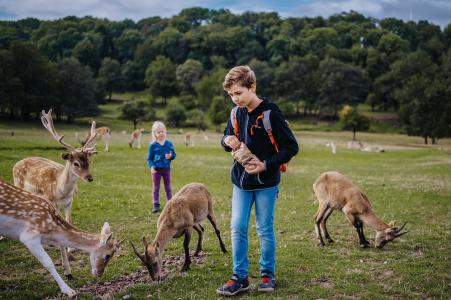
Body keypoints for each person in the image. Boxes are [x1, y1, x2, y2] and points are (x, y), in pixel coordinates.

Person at [216, 65, 299, 296]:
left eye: (239, 93)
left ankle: (266, 274)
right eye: (231, 95)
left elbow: (291, 147)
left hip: (267, 183)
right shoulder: (235, 113)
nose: (235, 99)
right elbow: (224, 137)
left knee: (264, 229)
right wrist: (227, 141)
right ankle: (240, 277)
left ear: (252, 87)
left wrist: (266, 164)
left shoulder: (271, 113)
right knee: (237, 227)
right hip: (240, 182)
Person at [147, 121, 176, 213]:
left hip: (166, 169)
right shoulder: (153, 146)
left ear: (165, 132)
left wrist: (171, 156)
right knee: (156, 187)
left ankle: (170, 204)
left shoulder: (169, 144)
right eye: (159, 132)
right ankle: (156, 205)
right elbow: (149, 158)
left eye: (162, 131)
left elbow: (174, 155)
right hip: (156, 170)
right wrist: (151, 167)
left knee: (168, 187)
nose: (161, 134)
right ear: (155, 134)